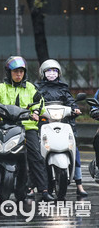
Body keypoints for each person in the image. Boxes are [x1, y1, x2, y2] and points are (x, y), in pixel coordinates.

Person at [0, 56, 55, 201]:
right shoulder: (1, 88)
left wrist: (36, 112)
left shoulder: (31, 88)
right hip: (6, 126)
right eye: (15, 72)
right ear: (9, 73)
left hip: (26, 127)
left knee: (36, 157)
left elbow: (39, 102)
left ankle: (44, 190)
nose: (18, 74)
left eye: (21, 71)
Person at [35, 59, 88, 197]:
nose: (52, 74)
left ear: (59, 73)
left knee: (74, 149)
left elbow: (70, 101)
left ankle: (79, 184)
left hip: (64, 123)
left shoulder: (63, 88)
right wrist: (35, 112)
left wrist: (75, 109)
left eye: (55, 71)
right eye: (49, 71)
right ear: (43, 73)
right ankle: (32, 184)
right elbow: (35, 103)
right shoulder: (38, 88)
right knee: (34, 150)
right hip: (45, 124)